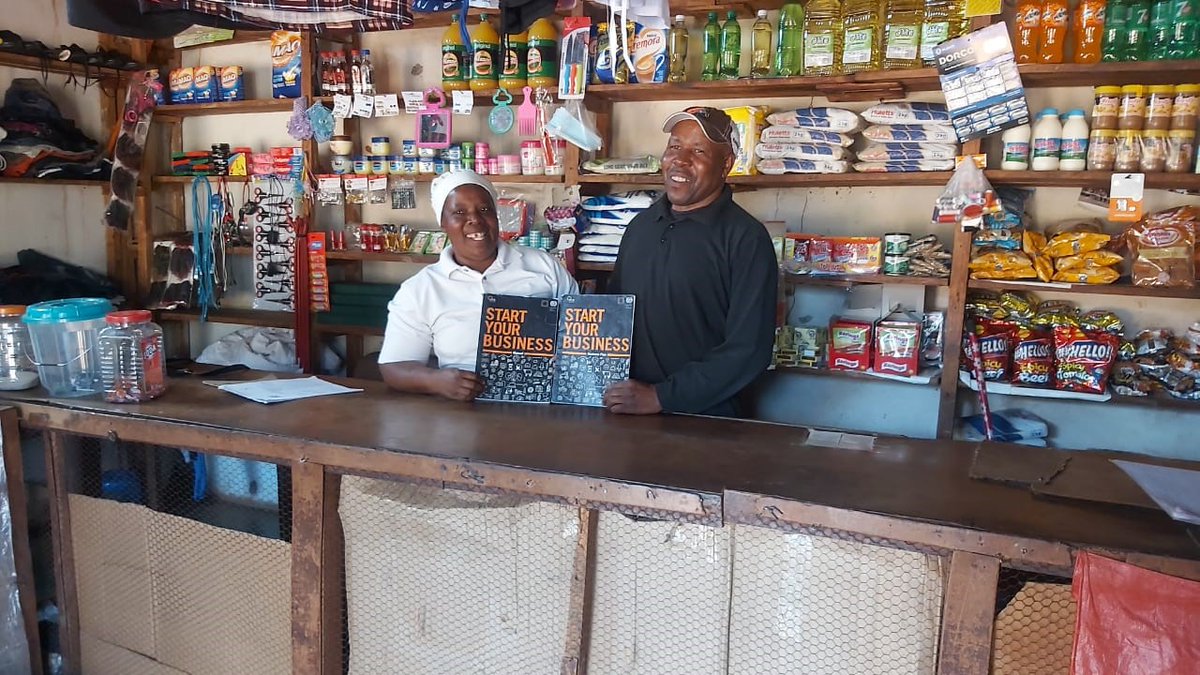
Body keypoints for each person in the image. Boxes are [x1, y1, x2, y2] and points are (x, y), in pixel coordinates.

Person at [604, 106, 778, 417]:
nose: (680, 160)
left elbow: (749, 349)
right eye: (674, 147)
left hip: (708, 422)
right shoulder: (640, 227)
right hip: (630, 411)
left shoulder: (746, 239)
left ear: (725, 164)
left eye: (698, 150)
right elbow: (615, 314)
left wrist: (661, 397)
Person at [379, 170, 578, 400]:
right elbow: (393, 366)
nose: (474, 220)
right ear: (443, 222)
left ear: (496, 215)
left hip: (542, 406)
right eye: (459, 212)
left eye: (484, 209)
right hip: (464, 413)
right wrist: (436, 381)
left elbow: (581, 335)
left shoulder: (544, 267)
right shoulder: (421, 290)